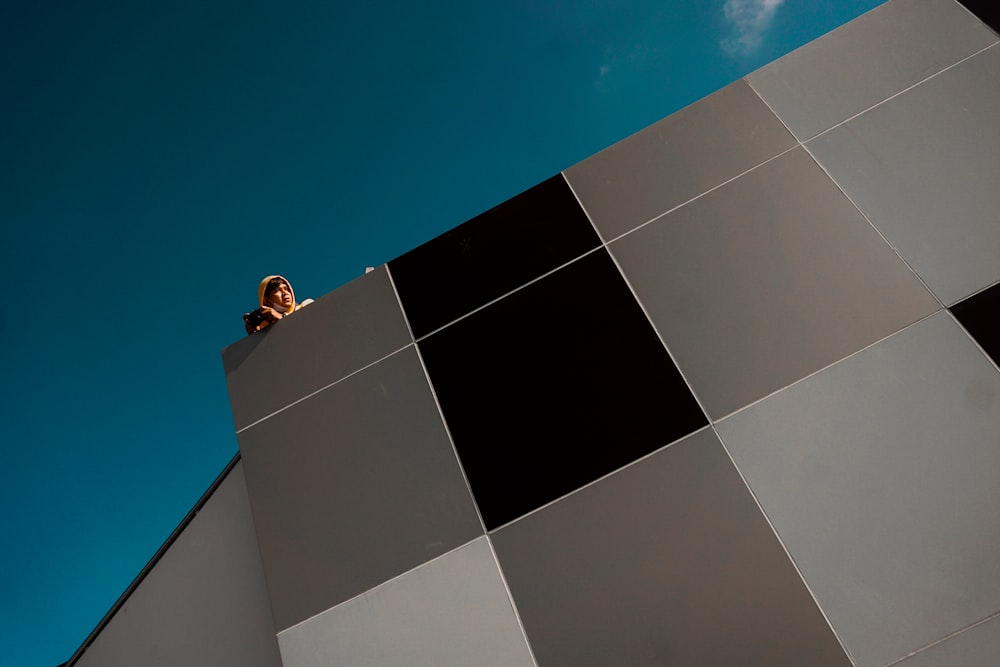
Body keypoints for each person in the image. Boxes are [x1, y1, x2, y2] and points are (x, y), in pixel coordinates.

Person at [243, 275, 314, 334]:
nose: (285, 293)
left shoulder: (306, 305)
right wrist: (255, 337)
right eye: (277, 291)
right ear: (267, 301)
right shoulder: (264, 328)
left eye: (286, 289)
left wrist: (281, 317)